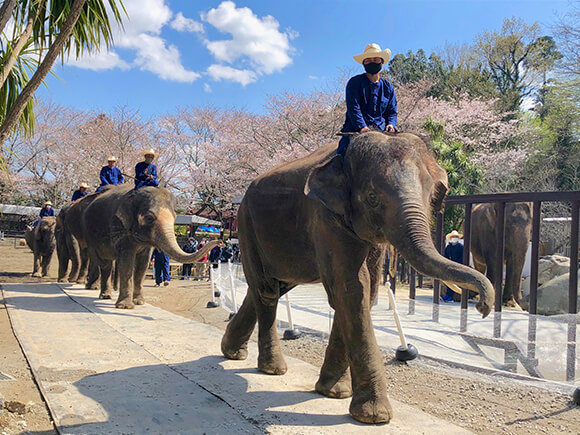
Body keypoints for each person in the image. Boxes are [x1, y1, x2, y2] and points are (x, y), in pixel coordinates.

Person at [337, 43, 398, 155]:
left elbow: (392, 111)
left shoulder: (388, 87)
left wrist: (391, 124)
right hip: (355, 130)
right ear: (363, 63)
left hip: (381, 132)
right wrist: (362, 127)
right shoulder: (354, 83)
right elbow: (353, 108)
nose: (372, 62)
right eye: (368, 60)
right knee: (341, 158)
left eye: (375, 59)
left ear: (382, 62)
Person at [442, 230, 464, 302]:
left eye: (456, 237)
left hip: (458, 266)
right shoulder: (448, 247)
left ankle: (450, 296)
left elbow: (462, 257)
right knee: (449, 281)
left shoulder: (461, 247)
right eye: (453, 237)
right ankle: (447, 295)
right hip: (449, 266)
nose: (455, 238)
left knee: (454, 281)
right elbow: (446, 256)